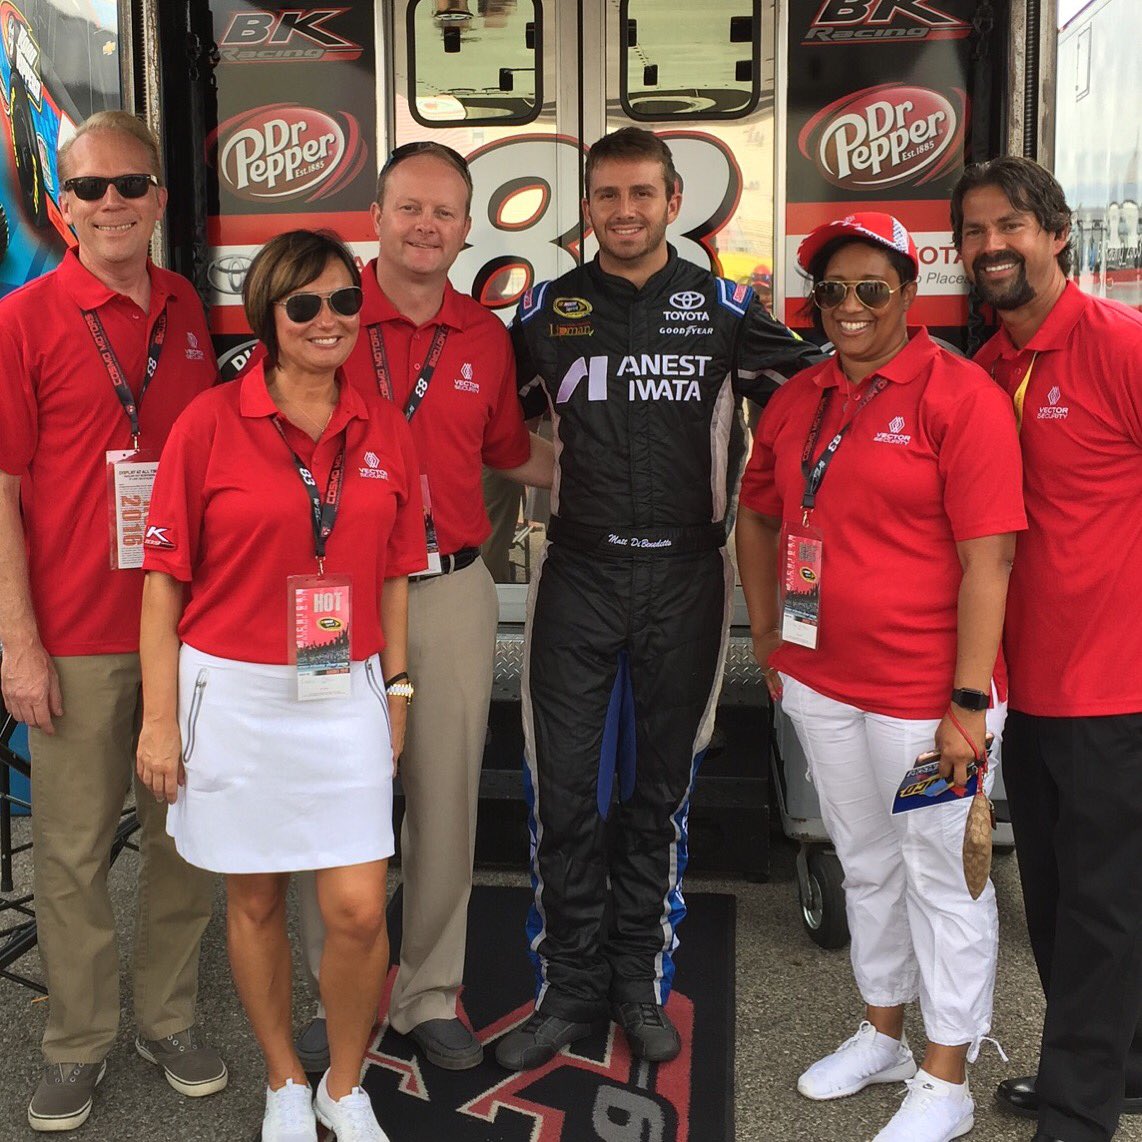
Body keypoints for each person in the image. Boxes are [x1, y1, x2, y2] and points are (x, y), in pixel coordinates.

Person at [499, 126, 817, 1071]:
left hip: (686, 575)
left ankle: (639, 981)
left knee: (659, 793)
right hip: (579, 572)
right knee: (563, 792)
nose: (625, 211)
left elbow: (818, 397)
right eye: (607, 195)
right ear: (587, 206)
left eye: (642, 194)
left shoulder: (725, 307)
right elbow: (486, 420)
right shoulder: (546, 309)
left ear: (675, 202)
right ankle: (568, 986)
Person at [735, 212, 1026, 1142]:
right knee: (865, 862)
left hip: (927, 700)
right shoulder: (801, 395)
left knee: (943, 877)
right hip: (824, 684)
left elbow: (990, 559)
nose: (850, 306)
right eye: (832, 290)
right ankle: (884, 1033)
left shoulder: (961, 394)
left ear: (909, 291)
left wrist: (967, 703)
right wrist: (769, 636)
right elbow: (757, 514)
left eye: (871, 288)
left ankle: (948, 1077)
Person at [138, 229, 426, 1142]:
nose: (327, 319)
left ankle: (345, 1084)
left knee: (357, 910)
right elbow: (163, 581)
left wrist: (400, 688)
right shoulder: (207, 423)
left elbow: (395, 573)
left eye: (344, 300)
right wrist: (158, 721)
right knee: (256, 899)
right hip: (232, 696)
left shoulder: (385, 428)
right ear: (268, 316)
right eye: (304, 304)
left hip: (344, 690)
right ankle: (284, 1081)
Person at [295, 141, 553, 1074]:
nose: (425, 226)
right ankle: (333, 989)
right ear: (375, 216)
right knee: (329, 793)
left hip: (447, 589)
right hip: (332, 596)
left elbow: (511, 451)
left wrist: (634, 475)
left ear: (468, 226)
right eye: (408, 208)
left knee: (445, 800)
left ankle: (428, 993)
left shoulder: (484, 335)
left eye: (444, 212)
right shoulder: (323, 313)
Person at [0, 111, 225, 1133]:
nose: (111, 203)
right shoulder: (24, 320)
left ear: (159, 197)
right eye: (90, 188)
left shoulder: (185, 305)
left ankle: (166, 1021)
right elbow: (3, 490)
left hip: (189, 629)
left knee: (184, 840)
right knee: (72, 850)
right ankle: (78, 1040)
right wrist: (19, 643)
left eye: (130, 183)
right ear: (65, 205)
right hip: (77, 634)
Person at [954, 157, 1142, 1142]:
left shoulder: (1119, 344)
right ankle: (1120, 1064)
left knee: (1100, 906)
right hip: (1023, 685)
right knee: (1063, 899)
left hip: (1113, 684)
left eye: (1011, 227)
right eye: (974, 232)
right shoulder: (987, 368)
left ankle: (1077, 1110)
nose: (990, 246)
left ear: (1057, 234)